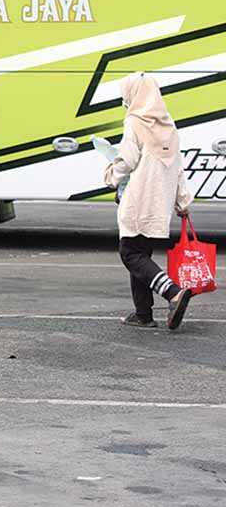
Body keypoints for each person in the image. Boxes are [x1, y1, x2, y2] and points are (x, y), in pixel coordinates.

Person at [105, 72, 194, 330]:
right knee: (141, 251)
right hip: (160, 202)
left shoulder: (135, 121)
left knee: (130, 252)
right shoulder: (169, 125)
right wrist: (183, 201)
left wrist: (111, 175)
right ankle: (143, 313)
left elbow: (128, 159)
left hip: (138, 198)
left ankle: (173, 293)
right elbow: (178, 167)